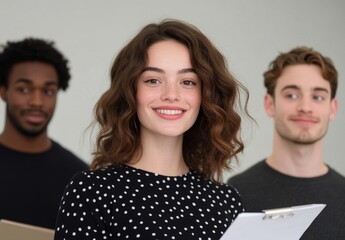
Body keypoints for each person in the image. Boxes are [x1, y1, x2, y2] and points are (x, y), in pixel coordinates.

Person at [54, 19, 251, 239]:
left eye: (187, 82)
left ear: (205, 95)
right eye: (153, 80)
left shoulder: (225, 200)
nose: (171, 94)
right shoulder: (92, 191)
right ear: (131, 91)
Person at [227, 46, 345, 239]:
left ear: (332, 109)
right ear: (269, 104)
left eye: (317, 97)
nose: (305, 107)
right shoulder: (236, 193)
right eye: (291, 95)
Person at [0, 38, 89, 229]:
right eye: (24, 89)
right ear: (3, 91)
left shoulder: (79, 179)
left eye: (48, 91)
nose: (37, 102)